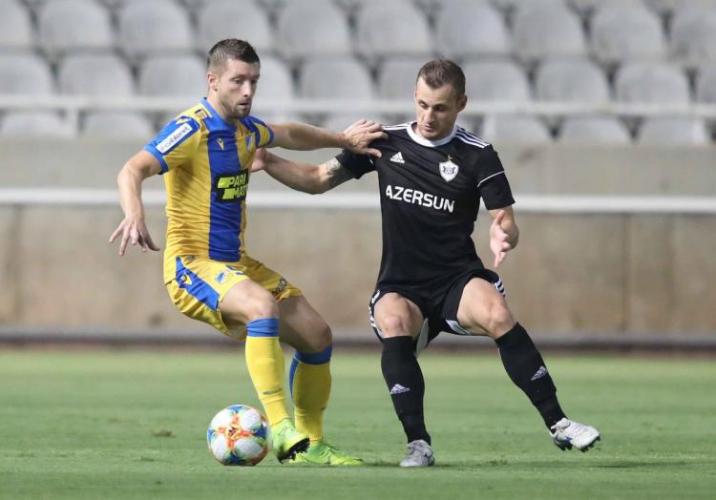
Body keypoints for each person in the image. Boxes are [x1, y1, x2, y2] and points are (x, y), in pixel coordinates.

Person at [251, 59, 601, 467]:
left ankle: (559, 423)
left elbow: (505, 219)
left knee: (497, 313)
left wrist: (504, 233)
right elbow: (317, 179)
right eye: (421, 104)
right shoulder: (386, 143)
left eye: (439, 108)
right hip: (401, 284)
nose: (428, 117)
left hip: (457, 280)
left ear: (461, 104)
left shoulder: (478, 155)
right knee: (393, 320)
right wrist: (269, 161)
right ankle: (418, 444)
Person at [108, 39, 385, 466]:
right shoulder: (192, 129)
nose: (248, 90)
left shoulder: (246, 131)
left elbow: (290, 134)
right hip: (191, 265)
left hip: (235, 263)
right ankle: (280, 427)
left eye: (254, 81)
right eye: (238, 81)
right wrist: (134, 213)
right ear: (213, 80)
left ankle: (310, 446)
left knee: (316, 334)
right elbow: (132, 169)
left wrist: (343, 140)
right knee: (261, 306)